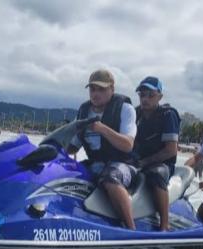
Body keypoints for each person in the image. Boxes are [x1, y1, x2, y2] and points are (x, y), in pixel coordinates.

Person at [69, 69, 137, 229]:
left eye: (101, 89)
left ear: (112, 89)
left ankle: (131, 229)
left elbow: (128, 145)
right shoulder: (84, 111)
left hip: (124, 164)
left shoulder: (125, 109)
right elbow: (73, 145)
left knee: (110, 178)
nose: (96, 93)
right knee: (65, 174)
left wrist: (102, 129)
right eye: (92, 89)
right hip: (96, 163)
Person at [133, 77, 180, 231]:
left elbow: (171, 150)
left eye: (150, 95)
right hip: (139, 160)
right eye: (142, 95)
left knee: (155, 175)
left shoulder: (168, 115)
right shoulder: (135, 114)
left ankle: (165, 225)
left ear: (159, 96)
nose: (145, 99)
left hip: (163, 163)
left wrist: (144, 163)